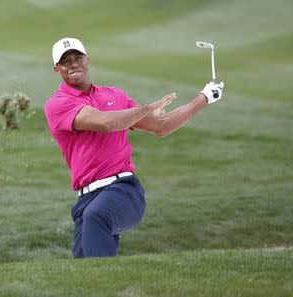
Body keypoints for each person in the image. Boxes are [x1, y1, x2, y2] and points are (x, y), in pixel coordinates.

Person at [44, 37, 224, 258]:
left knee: (96, 217)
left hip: (123, 191)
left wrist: (205, 97)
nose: (73, 63)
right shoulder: (58, 103)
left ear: (87, 60)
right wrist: (147, 107)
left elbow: (161, 126)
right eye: (65, 61)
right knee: (83, 263)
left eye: (77, 57)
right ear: (57, 70)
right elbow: (107, 122)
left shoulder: (114, 95)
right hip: (86, 199)